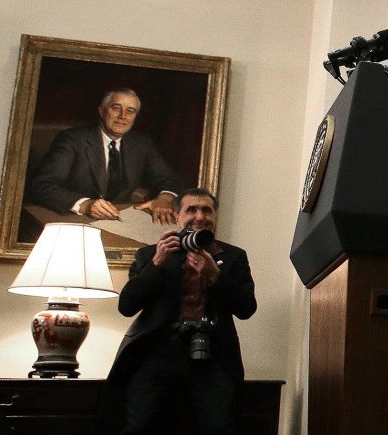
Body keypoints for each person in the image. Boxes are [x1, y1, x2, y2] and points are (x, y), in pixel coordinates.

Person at [107, 188, 257, 435]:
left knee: (219, 427)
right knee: (140, 426)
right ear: (177, 217)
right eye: (191, 210)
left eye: (206, 210)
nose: (200, 216)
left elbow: (246, 309)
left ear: (215, 216)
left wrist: (215, 275)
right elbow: (127, 306)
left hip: (212, 353)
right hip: (157, 351)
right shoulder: (151, 254)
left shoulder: (233, 257)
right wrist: (157, 262)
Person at [29, 87, 184, 225]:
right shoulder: (73, 140)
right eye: (116, 108)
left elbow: (170, 178)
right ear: (102, 110)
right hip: (74, 221)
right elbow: (42, 185)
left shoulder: (141, 144)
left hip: (120, 222)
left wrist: (165, 198)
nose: (123, 116)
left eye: (130, 111)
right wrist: (85, 205)